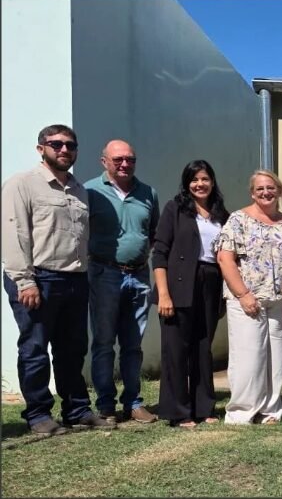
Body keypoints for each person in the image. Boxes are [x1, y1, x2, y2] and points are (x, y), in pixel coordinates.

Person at [1, 124, 114, 435]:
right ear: (42, 148)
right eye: (57, 144)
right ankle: (38, 415)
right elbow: (14, 235)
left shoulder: (79, 190)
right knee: (35, 348)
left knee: (72, 349)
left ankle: (77, 409)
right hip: (39, 277)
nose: (65, 150)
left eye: (71, 145)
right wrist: (25, 281)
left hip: (75, 278)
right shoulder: (22, 184)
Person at [216, 170, 282, 425]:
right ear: (252, 193)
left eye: (270, 188)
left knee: (277, 359)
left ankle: (270, 410)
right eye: (259, 189)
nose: (266, 193)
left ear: (279, 190)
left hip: (281, 301)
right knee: (249, 357)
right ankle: (241, 413)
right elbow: (225, 258)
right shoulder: (238, 220)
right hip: (247, 301)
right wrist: (243, 295)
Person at [85, 139, 160, 424]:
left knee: (133, 344)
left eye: (130, 159)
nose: (125, 164)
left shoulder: (147, 193)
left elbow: (152, 232)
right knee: (104, 342)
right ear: (104, 161)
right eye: (118, 160)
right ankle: (105, 405)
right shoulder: (90, 191)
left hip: (139, 275)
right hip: (105, 274)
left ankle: (134, 402)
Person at [152, 160, 229, 428]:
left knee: (202, 347)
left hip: (210, 282)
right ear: (187, 184)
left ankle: (204, 406)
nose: (200, 184)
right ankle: (178, 412)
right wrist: (163, 294)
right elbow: (159, 253)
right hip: (178, 284)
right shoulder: (175, 209)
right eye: (194, 180)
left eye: (205, 179)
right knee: (176, 350)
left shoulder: (221, 214)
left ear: (212, 181)